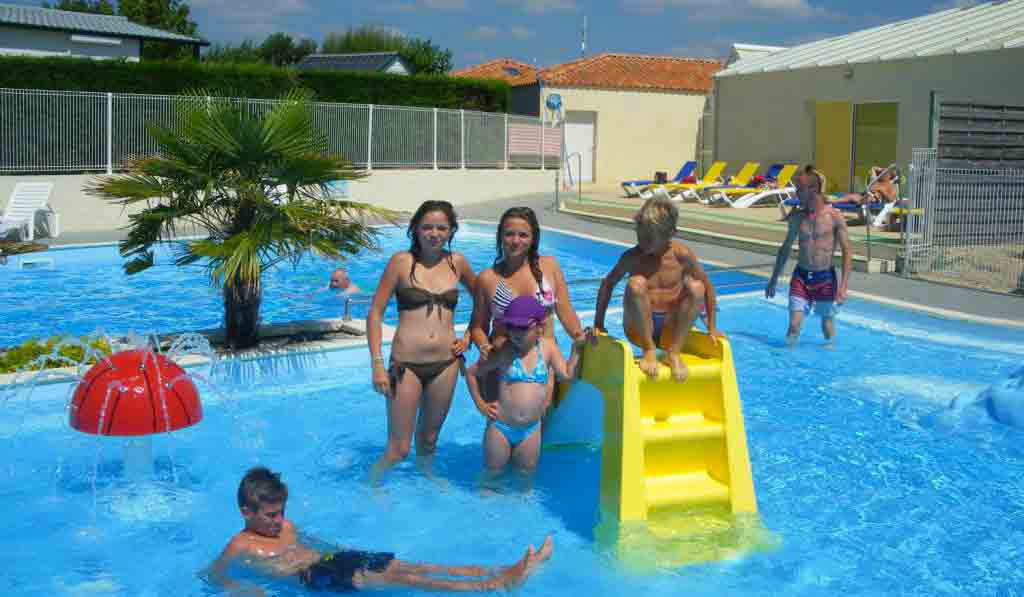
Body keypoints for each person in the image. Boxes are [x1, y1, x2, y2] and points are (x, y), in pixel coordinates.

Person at [209, 467, 553, 595]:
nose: (278, 519)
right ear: (246, 512)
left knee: (412, 565)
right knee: (403, 579)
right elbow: (212, 576)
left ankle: (505, 570)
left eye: (281, 511)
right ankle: (493, 585)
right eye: (270, 514)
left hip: (334, 559)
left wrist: (344, 550)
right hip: (318, 579)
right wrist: (240, 589)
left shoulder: (287, 526)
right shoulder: (239, 545)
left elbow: (313, 543)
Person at [367, 200, 477, 476]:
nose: (434, 233)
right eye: (427, 227)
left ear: (451, 230)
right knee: (399, 448)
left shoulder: (458, 263)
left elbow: (483, 299)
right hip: (407, 365)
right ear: (415, 229)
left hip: (446, 364)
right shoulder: (401, 262)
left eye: (441, 227)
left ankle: (426, 480)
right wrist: (377, 363)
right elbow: (375, 313)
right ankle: (373, 485)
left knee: (429, 440)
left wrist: (469, 335)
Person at [592, 196, 722, 382]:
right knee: (636, 283)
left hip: (671, 327)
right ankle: (649, 349)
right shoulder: (632, 257)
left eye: (649, 237)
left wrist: (712, 327)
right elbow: (608, 284)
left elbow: (707, 286)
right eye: (640, 235)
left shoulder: (682, 255)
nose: (642, 242)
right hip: (637, 329)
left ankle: (674, 352)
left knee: (697, 287)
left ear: (671, 233)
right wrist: (598, 324)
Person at [469, 207, 588, 403]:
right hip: (502, 364)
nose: (516, 241)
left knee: (540, 424)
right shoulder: (487, 278)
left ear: (533, 238)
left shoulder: (549, 267)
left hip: (543, 363)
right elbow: (477, 326)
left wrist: (579, 336)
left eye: (523, 235)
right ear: (500, 236)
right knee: (499, 424)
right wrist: (483, 345)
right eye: (509, 234)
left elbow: (565, 311)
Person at [465, 296, 581, 475]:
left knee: (525, 480)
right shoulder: (505, 351)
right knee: (492, 477)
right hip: (500, 428)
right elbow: (472, 373)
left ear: (540, 328)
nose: (515, 333)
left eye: (522, 328)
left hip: (531, 430)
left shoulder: (548, 349)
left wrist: (576, 349)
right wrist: (481, 405)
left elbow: (567, 375)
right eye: (511, 327)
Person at [766, 166, 853, 344]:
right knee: (794, 326)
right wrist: (773, 279)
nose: (796, 193)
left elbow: (847, 252)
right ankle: (788, 363)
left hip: (825, 279)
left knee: (827, 327)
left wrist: (843, 286)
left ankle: (830, 360)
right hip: (801, 277)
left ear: (813, 190)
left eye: (799, 189)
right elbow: (785, 249)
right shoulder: (797, 217)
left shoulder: (834, 217)